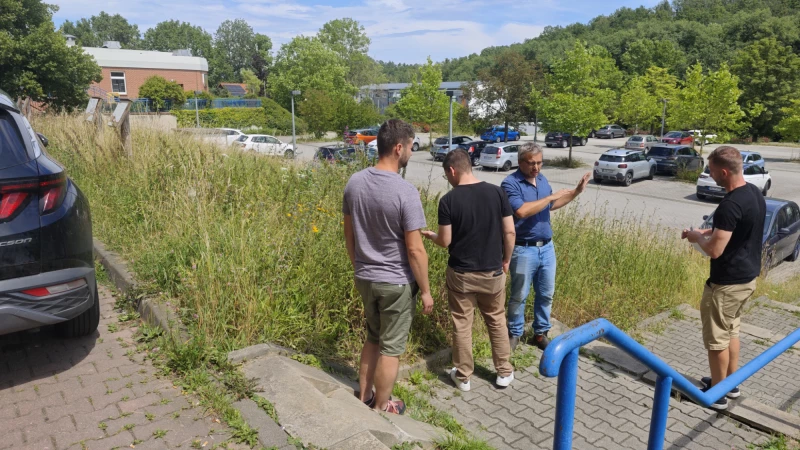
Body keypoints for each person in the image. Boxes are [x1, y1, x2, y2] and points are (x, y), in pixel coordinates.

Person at [342, 119, 434, 415]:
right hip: (395, 283)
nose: (411, 151)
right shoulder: (405, 191)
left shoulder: (354, 182)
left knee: (372, 337)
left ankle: (364, 396)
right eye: (410, 146)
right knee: (391, 348)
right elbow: (415, 249)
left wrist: (359, 266)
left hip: (365, 277)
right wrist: (427, 292)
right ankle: (383, 406)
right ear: (398, 148)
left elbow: (349, 234)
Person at [422, 149, 517, 391]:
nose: (449, 180)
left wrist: (431, 235)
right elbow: (510, 232)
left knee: (462, 324)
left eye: (447, 175)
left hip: (461, 275)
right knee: (496, 320)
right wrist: (506, 260)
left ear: (452, 170)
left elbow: (445, 241)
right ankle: (504, 373)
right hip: (493, 272)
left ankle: (463, 376)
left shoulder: (449, 201)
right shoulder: (497, 192)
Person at [682, 146, 765, 410]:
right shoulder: (753, 193)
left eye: (712, 171)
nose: (710, 174)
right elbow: (735, 230)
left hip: (726, 284)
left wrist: (697, 238)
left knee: (717, 338)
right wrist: (707, 230)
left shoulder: (729, 204)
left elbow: (715, 250)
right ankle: (731, 383)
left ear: (725, 171)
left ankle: (716, 395)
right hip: (747, 278)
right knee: (732, 331)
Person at [501, 143, 590, 351]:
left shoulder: (542, 180)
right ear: (520, 161)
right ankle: (514, 332)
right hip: (523, 249)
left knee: (546, 293)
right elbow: (521, 211)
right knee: (519, 295)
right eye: (532, 163)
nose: (537, 168)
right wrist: (550, 196)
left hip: (547, 248)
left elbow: (551, 205)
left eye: (540, 162)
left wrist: (576, 192)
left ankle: (540, 333)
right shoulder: (510, 184)